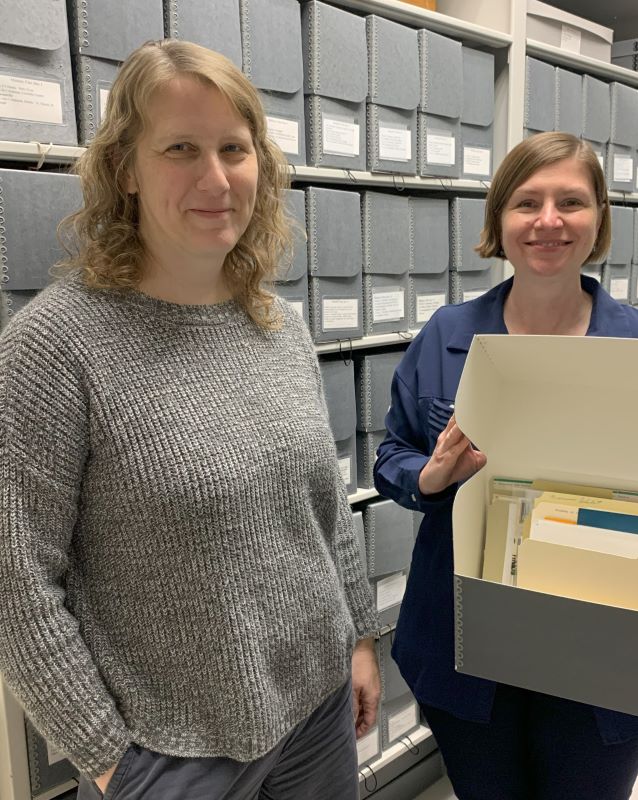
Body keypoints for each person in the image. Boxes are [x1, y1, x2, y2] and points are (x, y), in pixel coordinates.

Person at [0, 40, 379, 800]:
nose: (215, 179)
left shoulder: (277, 324)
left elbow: (325, 507)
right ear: (124, 171)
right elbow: (16, 578)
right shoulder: (52, 348)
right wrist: (108, 758)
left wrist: (358, 638)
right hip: (173, 754)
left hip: (316, 714)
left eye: (234, 149)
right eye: (181, 148)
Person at [374, 132, 638, 800]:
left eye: (571, 201)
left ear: (598, 220)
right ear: (499, 220)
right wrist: (430, 478)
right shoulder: (447, 335)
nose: (548, 221)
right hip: (466, 647)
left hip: (604, 655)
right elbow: (392, 454)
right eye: (526, 202)